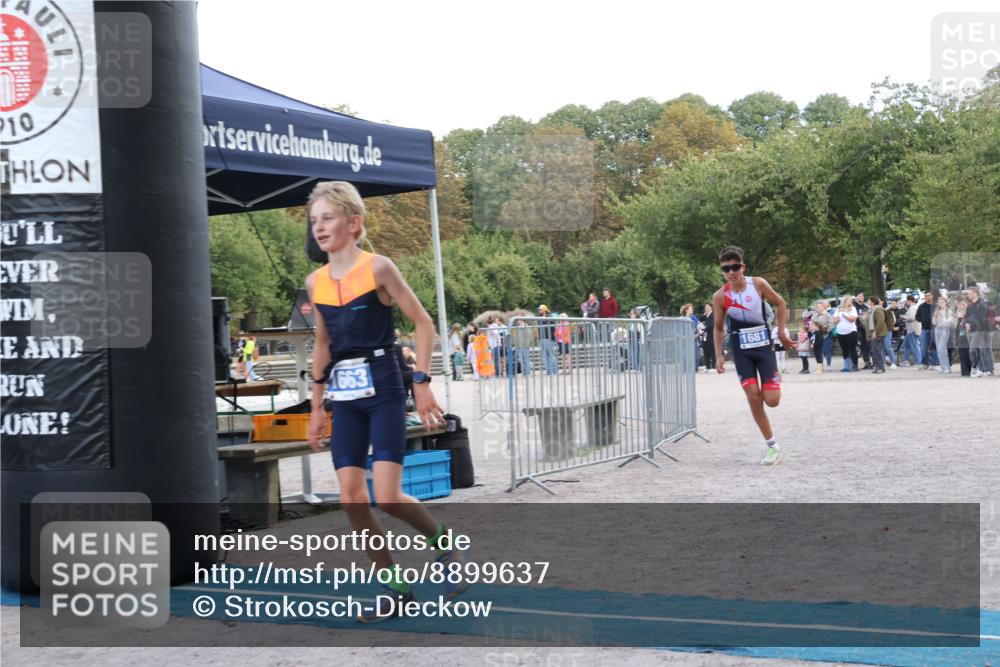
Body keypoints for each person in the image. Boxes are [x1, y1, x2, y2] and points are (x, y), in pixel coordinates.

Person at [303, 181, 466, 623]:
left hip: (384, 384)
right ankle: (395, 586)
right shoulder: (314, 281)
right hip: (344, 393)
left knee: (389, 497)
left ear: (354, 224)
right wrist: (316, 406)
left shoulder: (379, 268)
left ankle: (444, 543)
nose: (319, 227)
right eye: (314, 220)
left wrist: (422, 381)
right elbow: (322, 344)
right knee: (353, 499)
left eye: (328, 218)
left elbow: (424, 322)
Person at [712, 246, 795, 466]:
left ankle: (772, 383)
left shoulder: (757, 284)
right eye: (726, 268)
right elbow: (718, 328)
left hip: (763, 347)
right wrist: (718, 355)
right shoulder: (720, 296)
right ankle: (772, 447)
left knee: (772, 401)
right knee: (752, 396)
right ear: (722, 271)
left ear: (743, 267)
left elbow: (780, 303)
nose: (731, 272)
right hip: (741, 351)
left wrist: (780, 330)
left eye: (735, 267)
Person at [965, 286, 995, 377]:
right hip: (974, 330)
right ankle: (985, 369)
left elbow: (981, 318)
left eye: (969, 293)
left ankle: (987, 369)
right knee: (979, 349)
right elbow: (967, 316)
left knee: (984, 349)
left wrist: (971, 324)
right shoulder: (970, 305)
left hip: (983, 329)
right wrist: (966, 323)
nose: (968, 295)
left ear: (975, 293)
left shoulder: (982, 304)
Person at [833, 296, 859, 372]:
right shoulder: (838, 309)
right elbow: (834, 320)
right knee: (844, 350)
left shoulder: (853, 309)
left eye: (851, 300)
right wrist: (837, 318)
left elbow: (852, 319)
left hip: (851, 332)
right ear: (845, 301)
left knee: (852, 349)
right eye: (849, 300)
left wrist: (844, 314)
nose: (851, 301)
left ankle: (855, 365)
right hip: (840, 332)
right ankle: (847, 366)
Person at [932, 294, 956, 373]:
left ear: (946, 303)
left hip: (945, 329)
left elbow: (950, 321)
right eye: (939, 302)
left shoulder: (949, 311)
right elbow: (934, 322)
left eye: (942, 302)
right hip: (937, 329)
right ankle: (942, 366)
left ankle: (947, 367)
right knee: (938, 349)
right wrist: (935, 316)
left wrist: (942, 318)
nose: (940, 304)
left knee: (942, 349)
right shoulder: (937, 311)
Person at [866, 295, 888, 374]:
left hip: (878, 333)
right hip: (874, 332)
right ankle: (878, 367)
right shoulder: (872, 310)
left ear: (872, 302)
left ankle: (881, 368)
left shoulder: (878, 309)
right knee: (875, 350)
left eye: (869, 300)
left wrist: (875, 331)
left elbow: (880, 321)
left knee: (877, 350)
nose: (867, 301)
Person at [916, 291, 937, 369]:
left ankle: (934, 363)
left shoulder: (936, 306)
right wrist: (923, 319)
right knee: (923, 347)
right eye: (925, 296)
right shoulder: (921, 306)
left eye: (928, 296)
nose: (926, 297)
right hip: (924, 329)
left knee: (935, 346)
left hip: (934, 329)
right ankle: (925, 363)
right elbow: (917, 317)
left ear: (932, 296)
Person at [902, 295, 923, 367]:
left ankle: (919, 362)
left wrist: (903, 317)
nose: (906, 302)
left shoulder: (913, 308)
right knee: (906, 345)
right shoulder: (912, 307)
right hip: (910, 330)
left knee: (914, 345)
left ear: (910, 300)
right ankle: (906, 360)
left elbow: (912, 318)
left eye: (907, 300)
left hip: (913, 329)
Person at [701, 304, 716, 373]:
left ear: (710, 308)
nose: (706, 308)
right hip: (705, 336)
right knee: (706, 351)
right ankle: (707, 367)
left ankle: (714, 366)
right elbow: (700, 320)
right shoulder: (706, 315)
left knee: (712, 351)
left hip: (711, 336)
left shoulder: (712, 315)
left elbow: (711, 325)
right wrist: (704, 314)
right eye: (705, 307)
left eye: (707, 307)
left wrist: (703, 329)